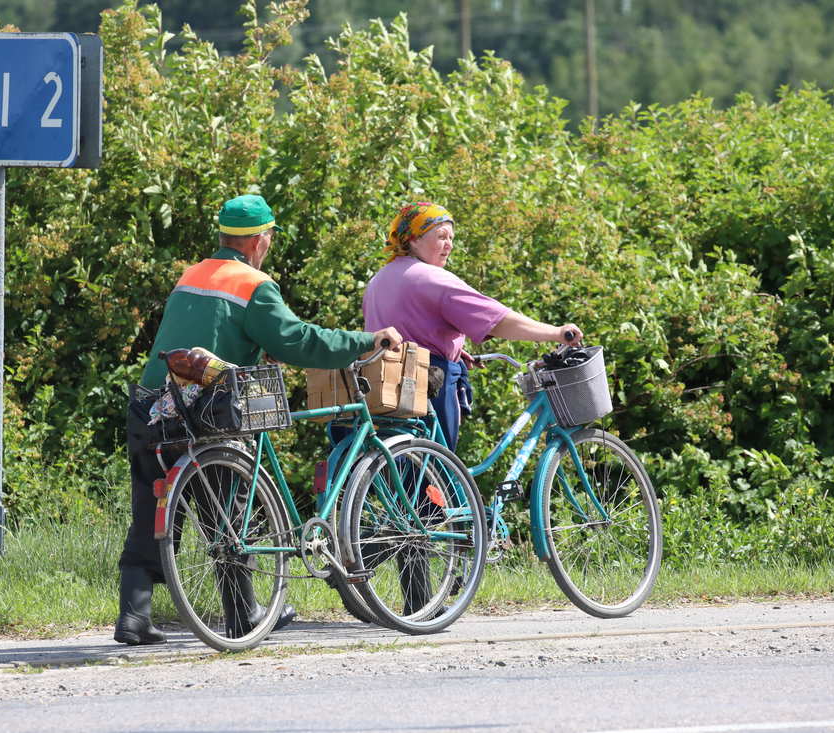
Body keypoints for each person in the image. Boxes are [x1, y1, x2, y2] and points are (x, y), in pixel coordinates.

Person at [116, 194, 402, 646]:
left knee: (150, 510)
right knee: (227, 517)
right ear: (259, 240)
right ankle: (244, 614)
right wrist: (365, 340)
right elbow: (299, 340)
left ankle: (133, 617)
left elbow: (206, 332)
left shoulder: (192, 274)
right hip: (208, 410)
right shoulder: (252, 283)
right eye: (268, 237)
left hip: (154, 405)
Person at [363, 202, 583, 452]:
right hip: (426, 381)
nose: (449, 244)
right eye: (441, 236)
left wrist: (451, 347)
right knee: (438, 467)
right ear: (413, 239)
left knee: (406, 466)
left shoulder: (379, 279)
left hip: (384, 383)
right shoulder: (431, 277)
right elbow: (498, 320)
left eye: (451, 238)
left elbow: (406, 328)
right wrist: (555, 333)